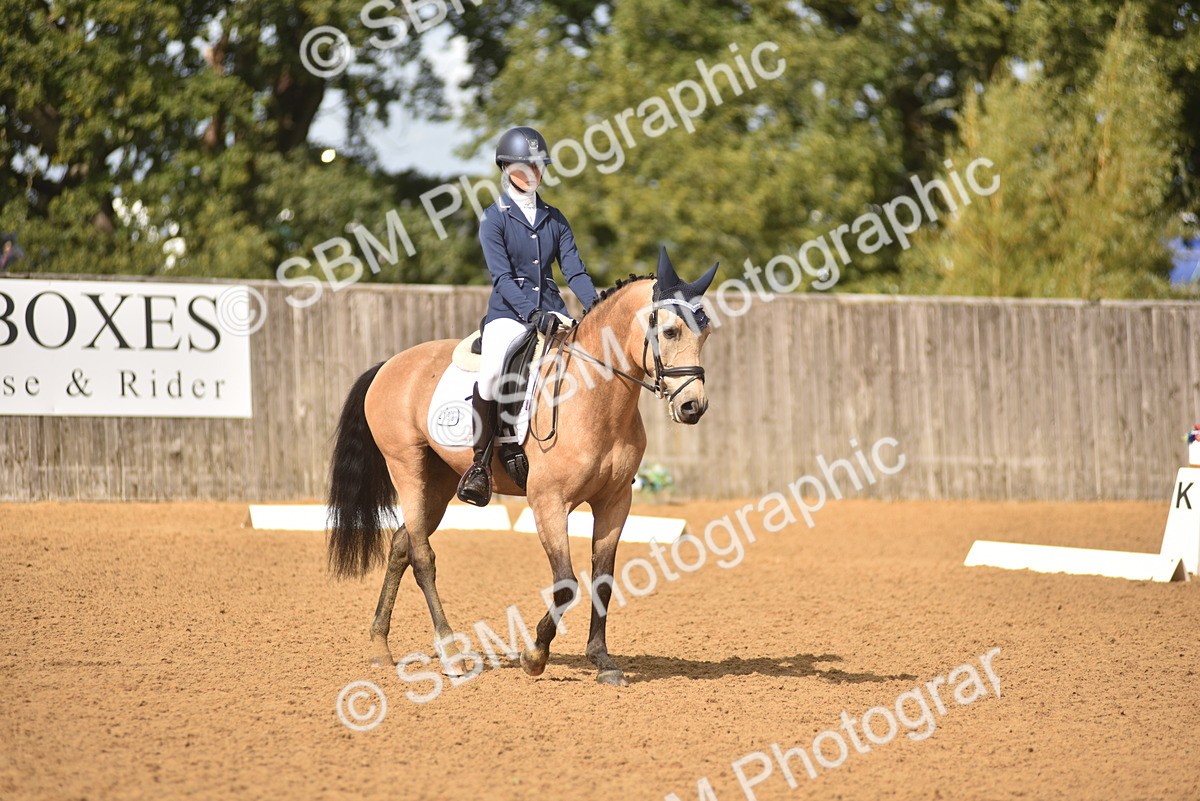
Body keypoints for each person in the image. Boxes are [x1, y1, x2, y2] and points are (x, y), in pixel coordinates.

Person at [456, 126, 601, 506]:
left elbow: (576, 272)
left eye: (538, 165)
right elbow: (501, 277)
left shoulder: (555, 218)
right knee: (491, 375)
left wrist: (596, 308)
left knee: (589, 364)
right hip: (509, 313)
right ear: (506, 168)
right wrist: (531, 312)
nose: (533, 171)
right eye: (525, 165)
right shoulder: (494, 218)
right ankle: (480, 465)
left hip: (553, 312)